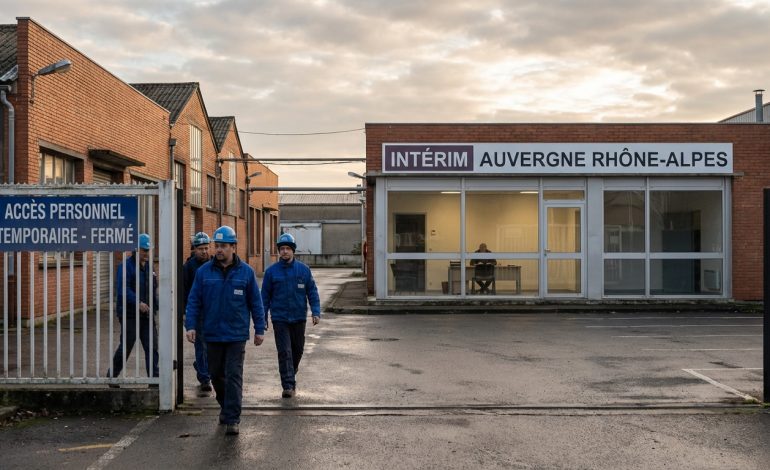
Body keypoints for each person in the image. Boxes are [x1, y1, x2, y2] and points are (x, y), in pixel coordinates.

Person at [185, 225, 265, 436]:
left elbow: (256, 303)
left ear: (233, 247)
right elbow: (194, 301)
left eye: (223, 246)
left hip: (236, 335)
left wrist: (259, 328)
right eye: (217, 246)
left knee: (233, 376)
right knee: (216, 375)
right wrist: (190, 325)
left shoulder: (246, 273)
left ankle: (232, 418)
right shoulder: (203, 273)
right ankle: (225, 406)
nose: (218, 249)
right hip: (211, 334)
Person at [261, 233, 321, 399]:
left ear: (293, 251)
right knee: (285, 352)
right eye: (282, 249)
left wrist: (316, 311)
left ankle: (291, 370)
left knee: (298, 350)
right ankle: (288, 385)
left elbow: (312, 292)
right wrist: (263, 317)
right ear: (279, 251)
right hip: (280, 318)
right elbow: (264, 297)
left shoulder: (303, 270)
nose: (285, 252)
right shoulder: (271, 272)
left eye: (288, 249)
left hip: (298, 318)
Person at [108, 233, 159, 384]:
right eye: (144, 250)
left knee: (152, 348)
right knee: (126, 347)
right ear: (136, 250)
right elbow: (123, 290)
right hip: (130, 314)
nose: (146, 253)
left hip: (147, 314)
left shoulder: (149, 267)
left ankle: (154, 381)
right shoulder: (125, 267)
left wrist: (154, 306)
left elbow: (153, 287)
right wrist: (138, 303)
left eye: (148, 250)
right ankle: (112, 376)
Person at [183, 231, 213, 395]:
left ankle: (201, 368)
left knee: (211, 347)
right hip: (196, 313)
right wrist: (186, 314)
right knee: (201, 346)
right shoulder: (188, 267)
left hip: (213, 313)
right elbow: (184, 291)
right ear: (194, 249)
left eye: (206, 248)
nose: (204, 251)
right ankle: (205, 379)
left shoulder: (215, 264)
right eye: (200, 248)